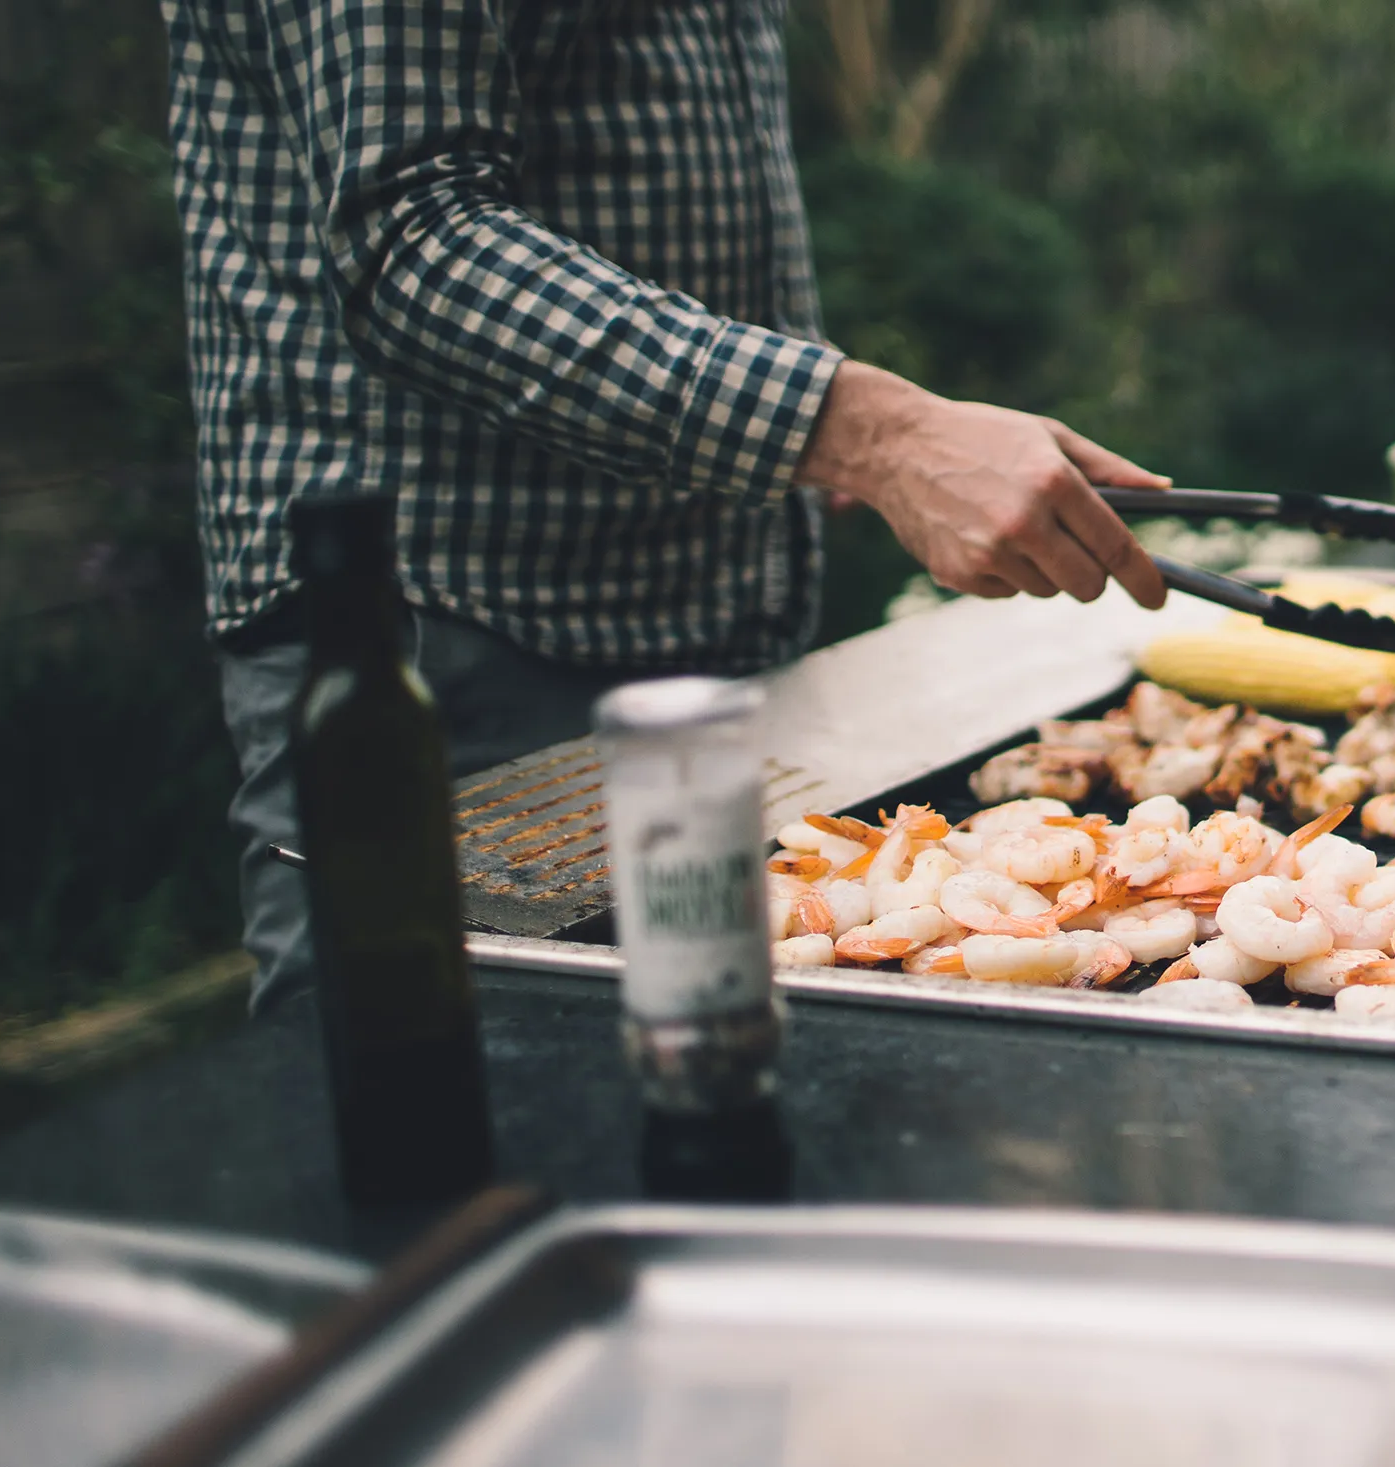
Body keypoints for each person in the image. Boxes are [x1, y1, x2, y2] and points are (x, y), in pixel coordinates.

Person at [163, 0, 1170, 1009]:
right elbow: (414, 242)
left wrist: (815, 447)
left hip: (695, 624)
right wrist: (873, 435)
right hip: (434, 641)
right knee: (421, 1130)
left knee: (709, 1105)